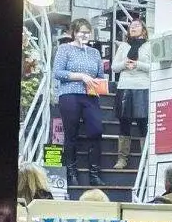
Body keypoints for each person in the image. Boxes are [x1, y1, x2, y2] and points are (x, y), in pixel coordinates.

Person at [53, 19, 106, 188]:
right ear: (74, 33)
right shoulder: (64, 49)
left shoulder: (95, 53)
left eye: (87, 32)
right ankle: (71, 172)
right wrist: (81, 76)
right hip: (69, 94)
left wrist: (97, 82)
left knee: (96, 130)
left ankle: (94, 174)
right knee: (71, 134)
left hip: (90, 95)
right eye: (81, 32)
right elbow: (58, 72)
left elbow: (100, 75)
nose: (84, 35)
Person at [112, 18, 151, 170]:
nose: (133, 28)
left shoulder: (149, 46)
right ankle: (122, 159)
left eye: (136, 25)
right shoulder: (123, 46)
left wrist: (138, 65)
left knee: (143, 124)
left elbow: (154, 67)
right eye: (131, 26)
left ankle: (146, 159)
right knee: (124, 123)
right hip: (125, 87)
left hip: (143, 87)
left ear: (144, 29)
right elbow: (115, 67)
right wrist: (124, 64)